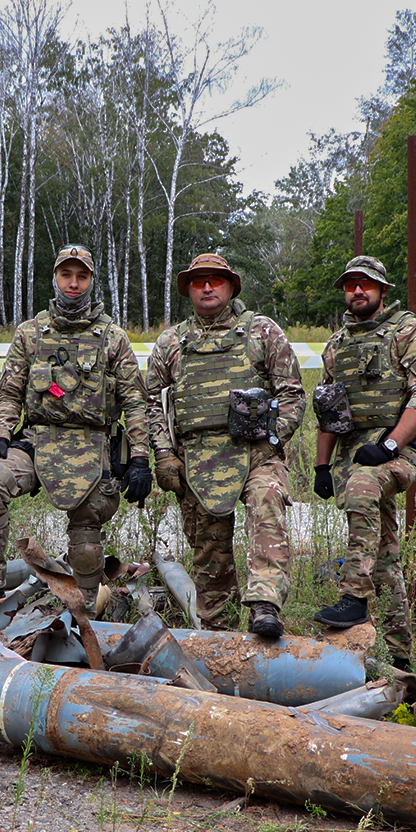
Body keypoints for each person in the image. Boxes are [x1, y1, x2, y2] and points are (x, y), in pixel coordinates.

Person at [0, 244, 152, 616]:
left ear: (91, 280)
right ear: (56, 278)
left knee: (88, 525)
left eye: (81, 276)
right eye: (66, 275)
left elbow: (136, 403)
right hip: (37, 440)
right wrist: (1, 434)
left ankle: (90, 605)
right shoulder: (31, 333)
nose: (73, 284)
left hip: (94, 445)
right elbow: (11, 392)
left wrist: (140, 459)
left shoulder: (113, 338)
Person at [145, 253, 305, 638]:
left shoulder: (261, 332)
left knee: (267, 502)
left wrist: (272, 439)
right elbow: (149, 400)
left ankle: (265, 605)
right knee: (208, 554)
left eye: (215, 279)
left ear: (230, 286)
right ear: (189, 290)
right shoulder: (172, 342)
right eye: (198, 281)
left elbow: (292, 394)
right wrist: (165, 454)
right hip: (196, 460)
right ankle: (219, 636)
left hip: (255, 454)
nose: (207, 287)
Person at [311, 255, 416, 670]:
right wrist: (321, 465)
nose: (357, 291)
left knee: (363, 487)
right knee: (384, 555)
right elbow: (330, 409)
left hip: (399, 450)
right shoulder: (337, 344)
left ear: (382, 290)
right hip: (354, 453)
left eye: (365, 284)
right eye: (350, 284)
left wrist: (389, 446)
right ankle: (402, 659)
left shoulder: (409, 332)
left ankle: (353, 598)